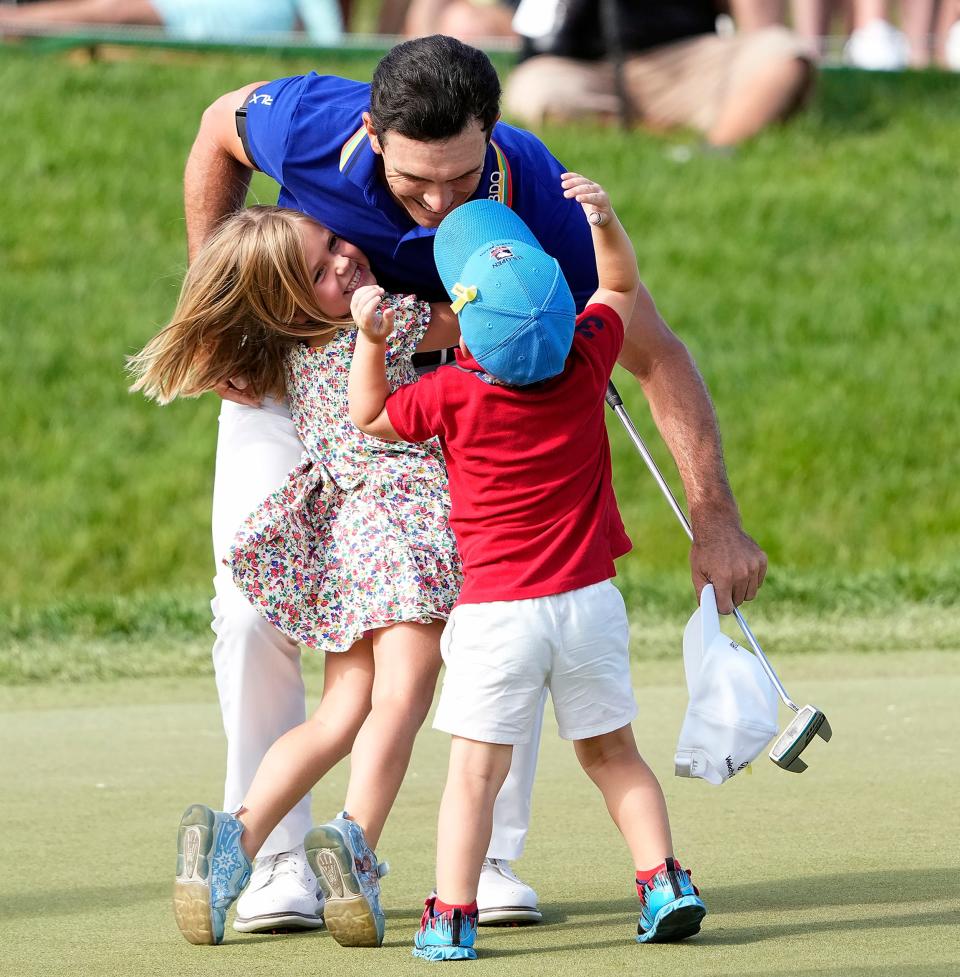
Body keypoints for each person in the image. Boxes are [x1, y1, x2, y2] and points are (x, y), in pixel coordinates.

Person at [182, 33, 766, 932]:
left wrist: (714, 517)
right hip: (291, 374)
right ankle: (277, 859)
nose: (440, 202)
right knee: (253, 610)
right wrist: (216, 293)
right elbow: (217, 129)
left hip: (453, 404)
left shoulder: (541, 197)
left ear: (491, 130)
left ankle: (485, 858)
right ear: (372, 135)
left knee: (497, 608)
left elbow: (654, 354)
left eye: (461, 177)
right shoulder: (307, 123)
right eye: (417, 182)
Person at [348, 172, 707, 961]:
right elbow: (619, 283)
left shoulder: (451, 393)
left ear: (469, 326)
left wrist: (373, 341)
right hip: (589, 602)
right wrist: (605, 220)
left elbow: (369, 415)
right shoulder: (586, 356)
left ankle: (450, 914)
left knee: (474, 774)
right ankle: (664, 881)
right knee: (616, 755)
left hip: (495, 616)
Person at [130, 204, 465, 948]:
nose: (345, 263)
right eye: (320, 270)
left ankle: (235, 841)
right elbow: (467, 325)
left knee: (342, 710)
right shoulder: (382, 319)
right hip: (407, 521)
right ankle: (356, 843)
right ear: (289, 301)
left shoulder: (286, 348)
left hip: (348, 536)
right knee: (403, 697)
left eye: (339, 244)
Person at [503, 0, 814, 147]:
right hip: (586, 69)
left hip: (686, 60)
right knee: (534, 89)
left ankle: (716, 148)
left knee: (780, 54)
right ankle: (656, 135)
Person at [0, 0, 343, 43]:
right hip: (191, 12)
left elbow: (332, 42)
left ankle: (11, 22)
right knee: (105, 11)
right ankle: (12, 22)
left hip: (196, 21)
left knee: (107, 12)